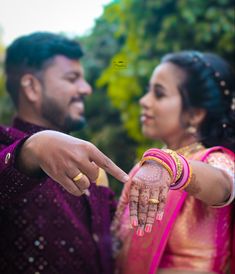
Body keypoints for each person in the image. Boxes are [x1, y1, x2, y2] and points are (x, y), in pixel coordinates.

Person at [0, 32, 133, 274]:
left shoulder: (90, 164)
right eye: (73, 78)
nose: (86, 88)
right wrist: (33, 149)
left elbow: (117, 242)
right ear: (31, 87)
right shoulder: (5, 144)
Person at [112, 51, 235, 274]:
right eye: (148, 91)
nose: (144, 101)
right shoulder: (149, 167)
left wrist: (168, 165)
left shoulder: (216, 160)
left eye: (158, 94)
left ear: (195, 114)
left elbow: (223, 185)